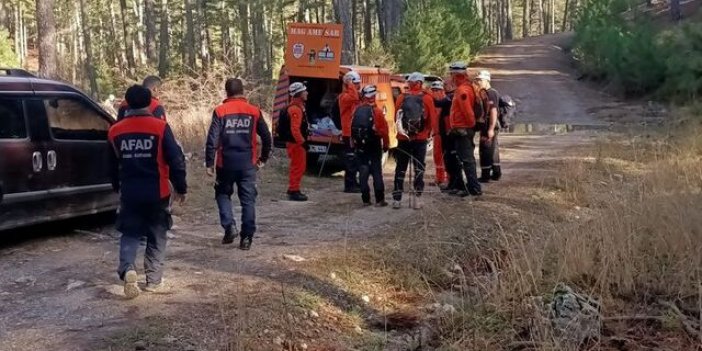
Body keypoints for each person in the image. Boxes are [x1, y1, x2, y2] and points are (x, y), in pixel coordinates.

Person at [108, 85, 187, 299]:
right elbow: (175, 159)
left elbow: (111, 164)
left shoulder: (115, 131)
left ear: (127, 103)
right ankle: (153, 281)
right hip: (157, 192)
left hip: (130, 192)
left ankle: (128, 269)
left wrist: (117, 187)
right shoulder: (160, 127)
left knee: (130, 233)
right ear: (149, 103)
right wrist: (181, 187)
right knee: (157, 235)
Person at [205, 78, 272, 250]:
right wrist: (263, 159)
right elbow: (266, 137)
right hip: (248, 165)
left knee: (222, 194)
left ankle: (229, 227)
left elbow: (212, 139)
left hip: (225, 164)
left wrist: (209, 163)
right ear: (243, 91)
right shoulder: (254, 111)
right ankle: (247, 238)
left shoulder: (220, 111)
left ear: (226, 92)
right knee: (248, 201)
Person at [392, 72, 437, 210]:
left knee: (400, 168)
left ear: (410, 83)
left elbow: (396, 118)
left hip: (403, 138)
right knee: (419, 168)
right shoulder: (427, 98)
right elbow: (432, 120)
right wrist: (428, 133)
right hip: (420, 138)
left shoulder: (401, 97)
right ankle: (417, 199)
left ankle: (397, 199)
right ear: (420, 83)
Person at [351, 85, 390, 207]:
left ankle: (366, 200)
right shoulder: (377, 112)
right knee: (377, 172)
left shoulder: (356, 110)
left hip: (360, 147)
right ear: (373, 96)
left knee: (363, 172)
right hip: (374, 145)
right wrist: (386, 145)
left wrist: (353, 143)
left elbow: (351, 127)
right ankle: (379, 199)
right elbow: (384, 131)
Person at [448, 62, 482, 197]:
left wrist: (469, 126)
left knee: (467, 160)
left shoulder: (463, 90)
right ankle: (466, 186)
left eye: (451, 74)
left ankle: (474, 188)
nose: (450, 78)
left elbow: (468, 112)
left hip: (463, 130)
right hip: (461, 129)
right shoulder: (466, 88)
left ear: (456, 75)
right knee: (461, 158)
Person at [474, 70, 502, 182]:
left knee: (485, 149)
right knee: (493, 149)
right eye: (477, 80)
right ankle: (496, 173)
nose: (478, 82)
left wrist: (490, 128)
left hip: (490, 125)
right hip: (489, 125)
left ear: (486, 80)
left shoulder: (490, 93)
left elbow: (493, 111)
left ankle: (485, 176)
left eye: (480, 80)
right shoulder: (487, 93)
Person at [285, 82, 310, 202]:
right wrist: (302, 142)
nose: (307, 93)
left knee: (298, 166)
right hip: (296, 144)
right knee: (297, 167)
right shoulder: (295, 109)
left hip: (296, 143)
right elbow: (295, 129)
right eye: (304, 91)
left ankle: (294, 188)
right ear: (299, 94)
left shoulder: (297, 107)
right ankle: (294, 190)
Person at [339, 71, 362, 193]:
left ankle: (354, 182)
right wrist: (350, 85)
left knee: (355, 159)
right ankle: (349, 185)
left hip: (355, 132)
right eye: (356, 83)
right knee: (350, 159)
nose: (358, 86)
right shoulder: (345, 97)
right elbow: (354, 97)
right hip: (348, 133)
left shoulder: (354, 95)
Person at [429, 80, 448, 188]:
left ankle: (448, 178)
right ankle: (440, 178)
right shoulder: (432, 103)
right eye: (434, 90)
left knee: (446, 157)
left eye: (437, 90)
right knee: (437, 157)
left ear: (442, 90)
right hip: (436, 134)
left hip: (444, 134)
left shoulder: (445, 102)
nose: (435, 92)